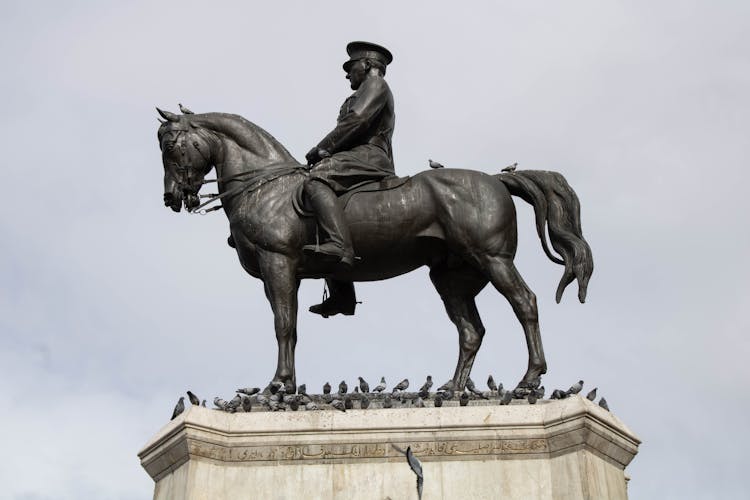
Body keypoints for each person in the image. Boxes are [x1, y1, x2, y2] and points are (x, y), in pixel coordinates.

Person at [304, 41, 396, 318]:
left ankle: (339, 248)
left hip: (369, 157)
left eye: (350, 67)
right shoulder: (356, 94)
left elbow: (357, 121)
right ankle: (342, 296)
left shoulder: (376, 85)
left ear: (366, 65)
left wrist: (324, 148)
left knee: (315, 181)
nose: (347, 74)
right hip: (354, 156)